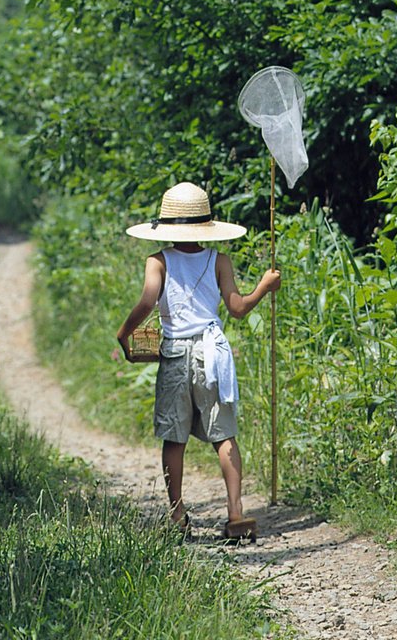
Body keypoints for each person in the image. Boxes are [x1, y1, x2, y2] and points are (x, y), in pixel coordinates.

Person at [116, 182, 280, 542]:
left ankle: (177, 515)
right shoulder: (218, 260)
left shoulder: (157, 261)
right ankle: (236, 514)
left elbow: (147, 303)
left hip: (174, 353)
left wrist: (125, 333)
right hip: (211, 353)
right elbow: (237, 309)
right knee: (224, 434)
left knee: (174, 438)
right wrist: (264, 287)